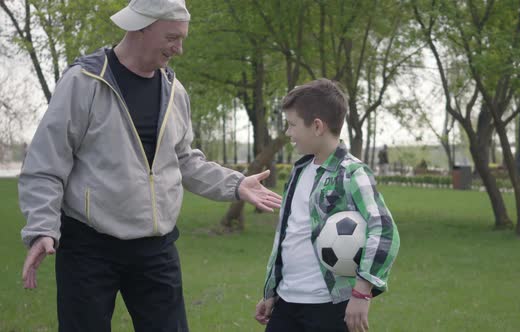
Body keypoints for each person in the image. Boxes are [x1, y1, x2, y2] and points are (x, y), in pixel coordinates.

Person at [18, 0, 282, 331]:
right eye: (173, 37)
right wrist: (42, 227)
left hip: (155, 250)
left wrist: (235, 185)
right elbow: (45, 163)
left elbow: (185, 160)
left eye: (182, 38)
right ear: (141, 26)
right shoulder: (84, 81)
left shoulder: (175, 91)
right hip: (88, 247)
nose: (180, 49)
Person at [254, 79, 400, 332]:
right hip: (286, 303)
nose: (288, 133)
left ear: (317, 126)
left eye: (292, 125)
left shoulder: (353, 173)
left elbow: (384, 230)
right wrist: (272, 290)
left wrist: (361, 292)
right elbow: (289, 237)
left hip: (329, 306)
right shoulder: (298, 172)